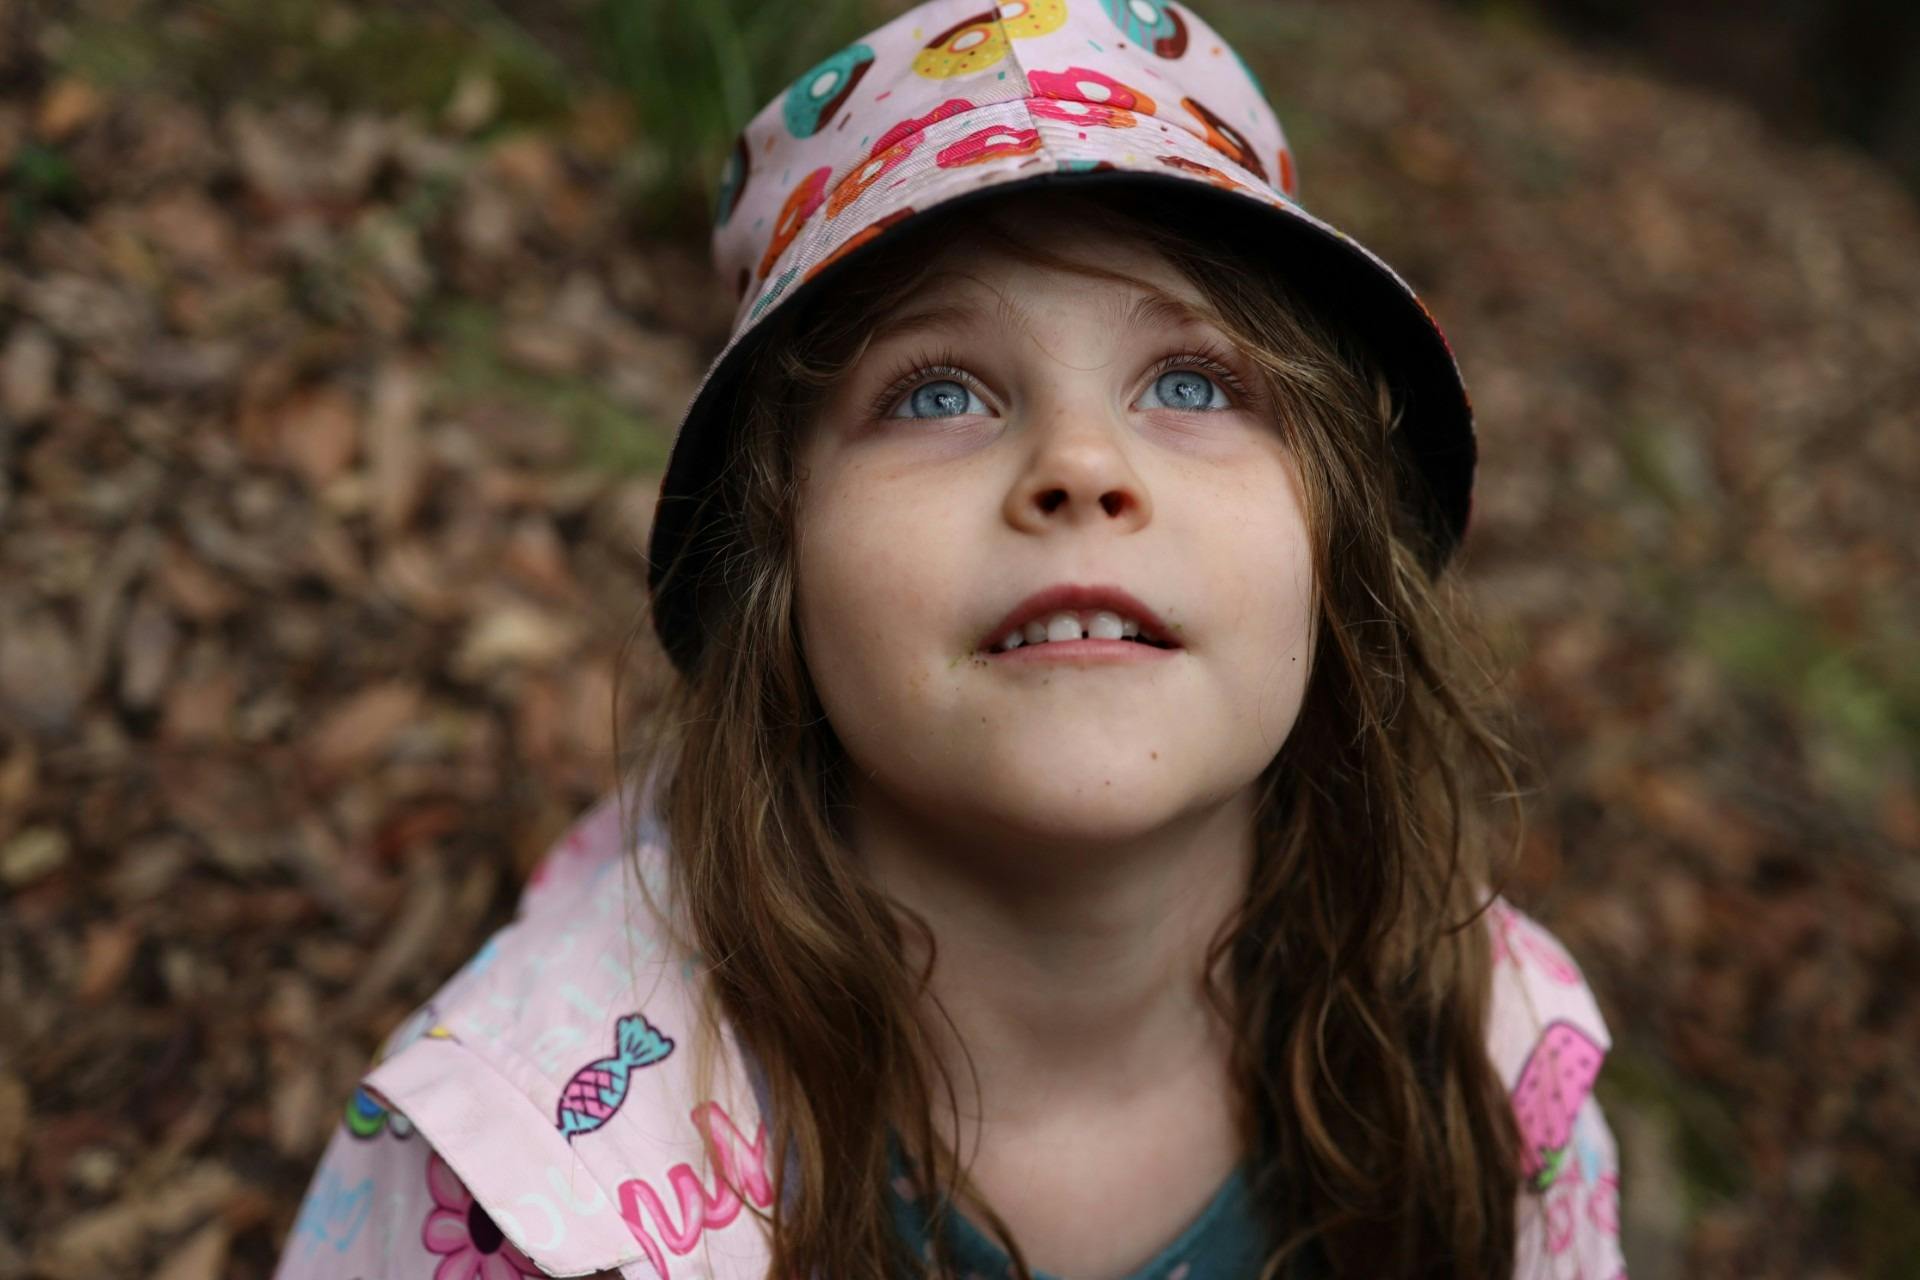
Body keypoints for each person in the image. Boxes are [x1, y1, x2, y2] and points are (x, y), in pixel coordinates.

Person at [270, 2, 1626, 1278]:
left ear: (1339, 552)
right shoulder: (521, 1186)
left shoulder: (1493, 1079)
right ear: (774, 571)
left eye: (1196, 381)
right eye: (937, 392)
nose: (1081, 465)